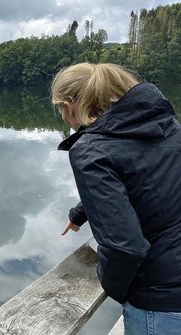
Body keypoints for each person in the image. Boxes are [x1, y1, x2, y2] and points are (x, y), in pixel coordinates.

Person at [51, 62, 181, 334]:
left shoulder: (90, 149)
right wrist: (79, 213)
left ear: (69, 105)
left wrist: (119, 290)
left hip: (162, 302)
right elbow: (144, 178)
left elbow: (125, 246)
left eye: (59, 109)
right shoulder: (165, 124)